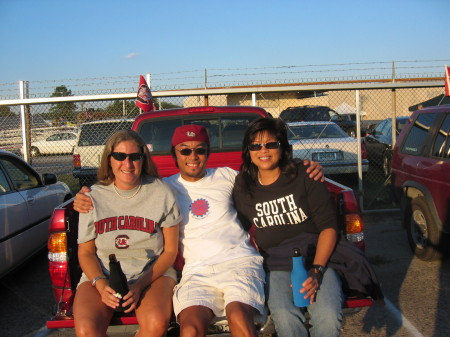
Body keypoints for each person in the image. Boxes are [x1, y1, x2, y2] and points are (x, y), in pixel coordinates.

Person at [74, 124, 324, 337]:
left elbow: (267, 174)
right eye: (185, 150)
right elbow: (124, 193)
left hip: (237, 262)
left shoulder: (227, 177)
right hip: (197, 271)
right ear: (174, 153)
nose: (192, 156)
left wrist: (302, 166)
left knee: (238, 316)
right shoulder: (166, 188)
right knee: (190, 330)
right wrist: (84, 195)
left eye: (199, 150)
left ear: (208, 153)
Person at [232, 117, 344, 337]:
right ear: (248, 151)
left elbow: (329, 227)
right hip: (276, 264)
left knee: (328, 318)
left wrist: (317, 271)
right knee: (284, 315)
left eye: (271, 144)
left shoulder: (305, 174)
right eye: (256, 146)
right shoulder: (244, 185)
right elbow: (236, 227)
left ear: (282, 147)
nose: (263, 151)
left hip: (316, 259)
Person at [72, 129, 181, 337]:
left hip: (151, 274)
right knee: (87, 330)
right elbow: (85, 252)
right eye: (120, 156)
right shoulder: (91, 197)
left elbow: (170, 251)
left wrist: (140, 285)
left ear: (143, 158)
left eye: (135, 157)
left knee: (156, 323)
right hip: (102, 274)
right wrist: (101, 284)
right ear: (109, 159)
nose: (127, 164)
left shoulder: (162, 192)